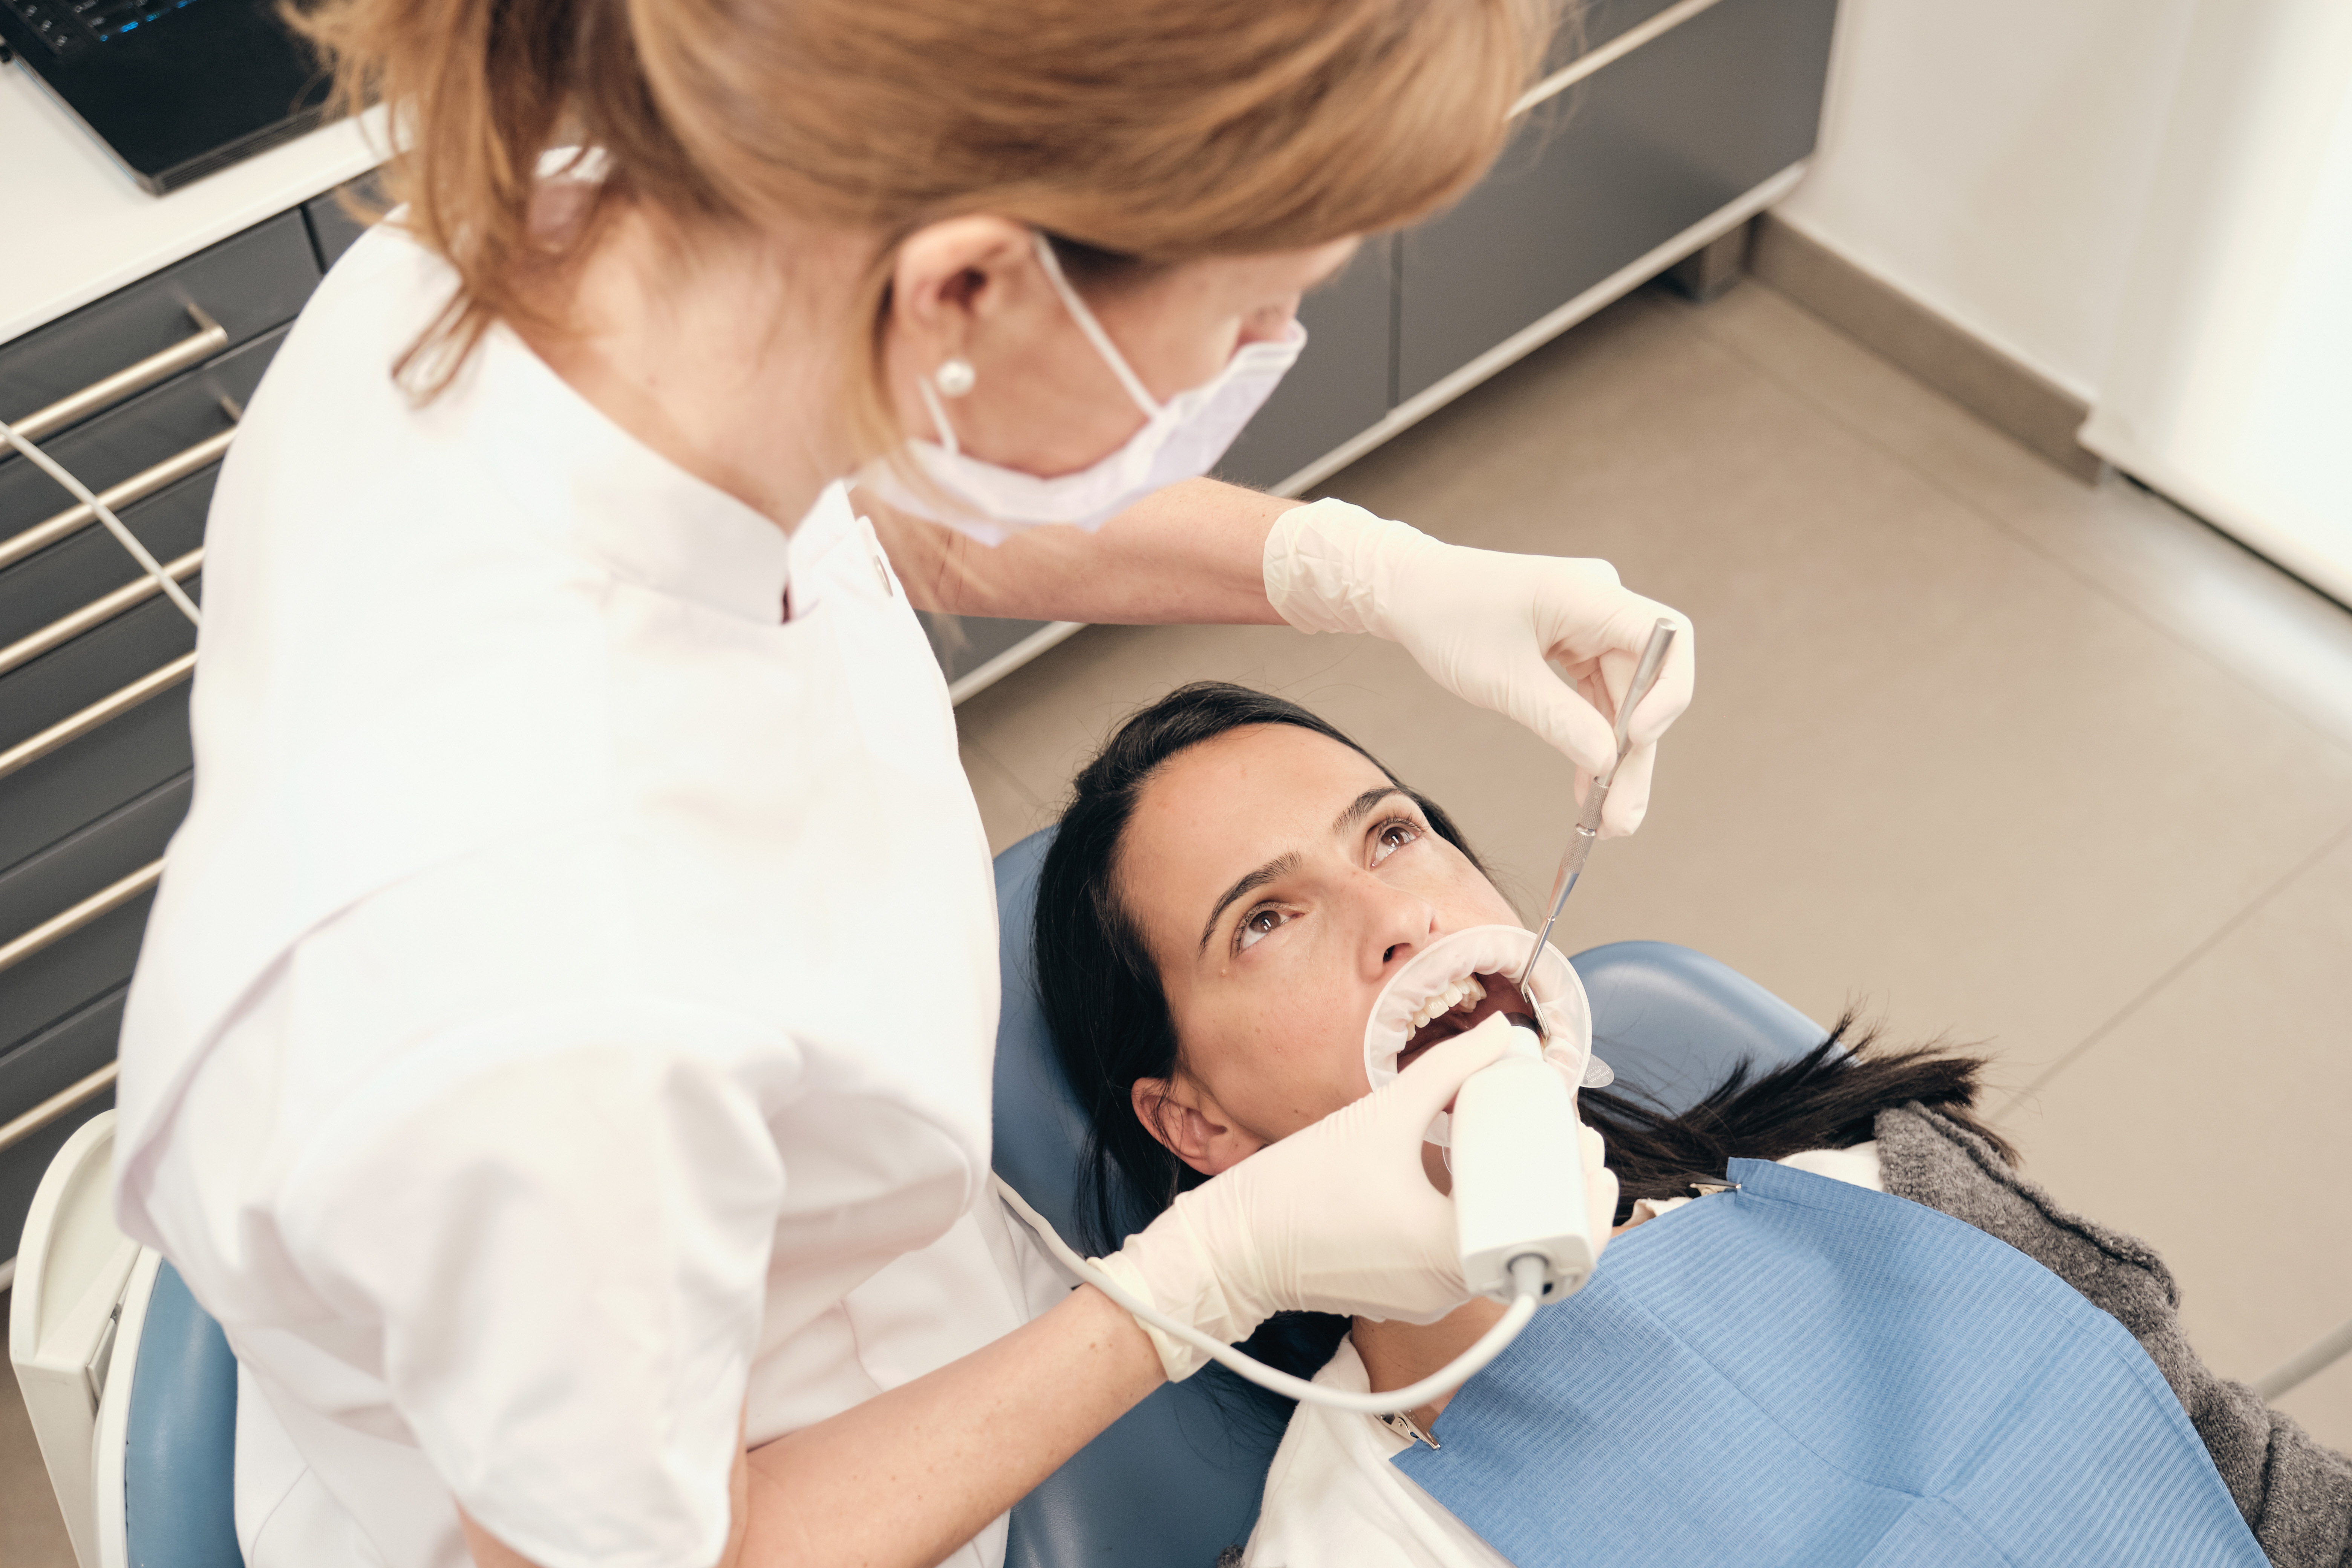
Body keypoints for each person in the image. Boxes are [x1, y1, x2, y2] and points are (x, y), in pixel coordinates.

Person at [105, 5, 1707, 1568]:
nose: (1262, 357)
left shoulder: (613, 281)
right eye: (1247, 311)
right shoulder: (551, 990)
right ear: (963, 291)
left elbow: (881, 474)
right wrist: (1216, 1271)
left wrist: (1361, 570)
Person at [1032, 682, 2352, 1568]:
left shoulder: (1867, 1173)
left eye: (1391, 835)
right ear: (1192, 1120)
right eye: (1266, 920)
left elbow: (2269, 1495)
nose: (1400, 918)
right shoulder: (1357, 1539)